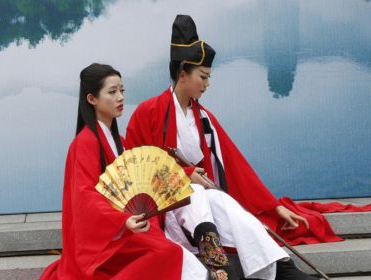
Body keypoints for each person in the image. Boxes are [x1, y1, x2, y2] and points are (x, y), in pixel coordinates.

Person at [126, 15, 325, 280]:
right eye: (203, 77)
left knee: (227, 204)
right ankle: (218, 265)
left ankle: (281, 267)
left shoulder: (203, 118)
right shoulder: (148, 113)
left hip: (202, 203)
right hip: (168, 207)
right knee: (196, 192)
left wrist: (272, 206)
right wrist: (184, 175)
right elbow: (135, 170)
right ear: (183, 74)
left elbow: (235, 165)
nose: (207, 84)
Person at [40, 63, 209, 280]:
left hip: (123, 230)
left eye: (122, 90)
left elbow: (148, 175)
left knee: (172, 250)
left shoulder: (118, 142)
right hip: (104, 238)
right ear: (91, 99)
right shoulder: (84, 143)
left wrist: (186, 174)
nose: (120, 97)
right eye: (112, 92)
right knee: (167, 252)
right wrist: (121, 221)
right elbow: (85, 197)